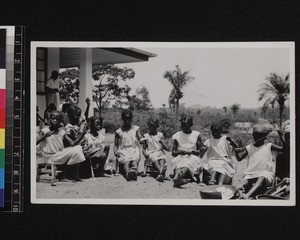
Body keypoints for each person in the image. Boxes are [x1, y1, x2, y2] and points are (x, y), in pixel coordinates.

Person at [234, 123, 286, 199]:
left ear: (264, 137)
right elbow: (239, 158)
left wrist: (281, 135)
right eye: (255, 137)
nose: (256, 139)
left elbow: (284, 149)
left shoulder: (269, 146)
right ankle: (237, 192)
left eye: (258, 137)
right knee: (244, 182)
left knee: (261, 177)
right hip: (251, 173)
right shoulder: (249, 147)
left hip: (265, 173)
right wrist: (236, 151)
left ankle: (246, 195)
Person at [36, 110, 86, 182]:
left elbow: (72, 143)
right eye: (53, 118)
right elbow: (35, 142)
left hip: (59, 155)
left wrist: (81, 135)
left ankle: (68, 174)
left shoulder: (61, 131)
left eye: (57, 119)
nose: (55, 120)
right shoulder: (45, 130)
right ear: (49, 119)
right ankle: (67, 174)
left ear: (60, 121)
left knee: (78, 148)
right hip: (49, 157)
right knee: (76, 150)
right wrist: (45, 136)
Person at [169, 115, 202, 187]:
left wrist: (192, 151)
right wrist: (181, 152)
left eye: (186, 125)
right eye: (182, 125)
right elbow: (173, 153)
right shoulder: (177, 135)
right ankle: (178, 177)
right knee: (179, 161)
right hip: (180, 156)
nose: (184, 127)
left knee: (188, 161)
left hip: (192, 157)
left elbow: (200, 152)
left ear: (191, 125)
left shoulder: (196, 135)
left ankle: (178, 177)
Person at [113, 109, 142, 181]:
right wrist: (116, 152)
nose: (127, 120)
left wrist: (142, 140)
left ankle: (134, 172)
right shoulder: (119, 131)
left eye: (129, 118)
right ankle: (127, 174)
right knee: (127, 161)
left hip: (134, 149)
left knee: (134, 160)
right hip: (124, 150)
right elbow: (115, 144)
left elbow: (140, 138)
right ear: (122, 118)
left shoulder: (136, 129)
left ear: (131, 118)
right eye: (125, 118)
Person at [141, 117, 169, 182]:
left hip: (159, 151)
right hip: (151, 152)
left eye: (153, 126)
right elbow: (144, 148)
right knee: (155, 159)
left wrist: (163, 143)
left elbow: (165, 148)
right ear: (148, 126)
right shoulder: (146, 136)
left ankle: (160, 174)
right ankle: (161, 172)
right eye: (150, 126)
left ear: (157, 126)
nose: (152, 128)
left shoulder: (160, 135)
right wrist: (145, 154)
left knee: (162, 158)